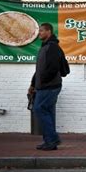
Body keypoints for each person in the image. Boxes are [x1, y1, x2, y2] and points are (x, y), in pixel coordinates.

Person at [28, 23, 66, 151]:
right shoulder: (45, 47)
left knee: (39, 109)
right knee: (47, 112)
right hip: (45, 86)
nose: (39, 33)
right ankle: (50, 141)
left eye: (42, 31)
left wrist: (42, 82)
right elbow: (39, 69)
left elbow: (53, 68)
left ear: (49, 31)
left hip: (49, 86)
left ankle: (52, 140)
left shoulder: (52, 47)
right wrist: (33, 84)